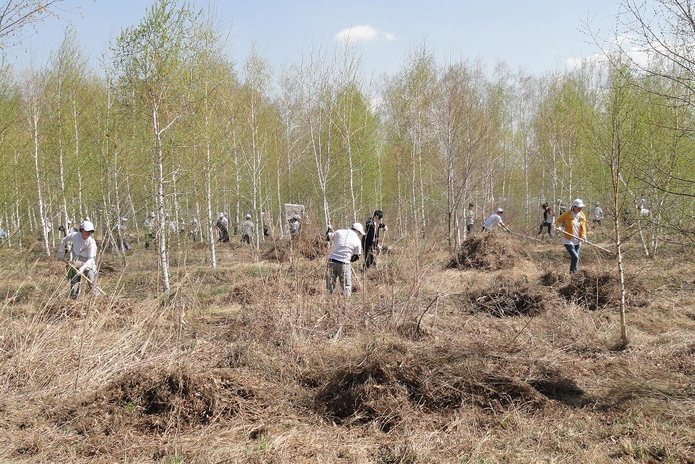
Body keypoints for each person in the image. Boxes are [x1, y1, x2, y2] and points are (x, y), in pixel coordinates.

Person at [57, 220, 99, 299]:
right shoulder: (74, 235)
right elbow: (64, 240)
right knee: (75, 278)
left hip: (88, 262)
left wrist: (82, 269)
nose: (89, 233)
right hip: (77, 259)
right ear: (82, 230)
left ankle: (96, 297)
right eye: (87, 231)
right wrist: (60, 251)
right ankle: (73, 298)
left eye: (91, 231)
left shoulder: (91, 242)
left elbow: (90, 258)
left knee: (91, 278)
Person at [326, 223, 365, 296]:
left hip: (331, 261)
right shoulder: (357, 240)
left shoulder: (339, 231)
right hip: (344, 264)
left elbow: (328, 237)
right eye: (360, 233)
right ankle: (346, 302)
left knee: (330, 285)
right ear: (357, 231)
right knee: (346, 286)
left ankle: (328, 300)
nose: (359, 235)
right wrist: (349, 260)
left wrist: (328, 231)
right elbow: (357, 256)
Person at [555, 198, 587, 274]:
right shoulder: (567, 214)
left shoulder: (582, 215)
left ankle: (573, 275)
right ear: (574, 206)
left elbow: (584, 227)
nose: (580, 209)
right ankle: (573, 274)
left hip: (578, 240)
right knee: (576, 257)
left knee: (575, 258)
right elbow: (557, 221)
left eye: (581, 207)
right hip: (568, 239)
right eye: (579, 207)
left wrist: (584, 236)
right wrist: (559, 227)